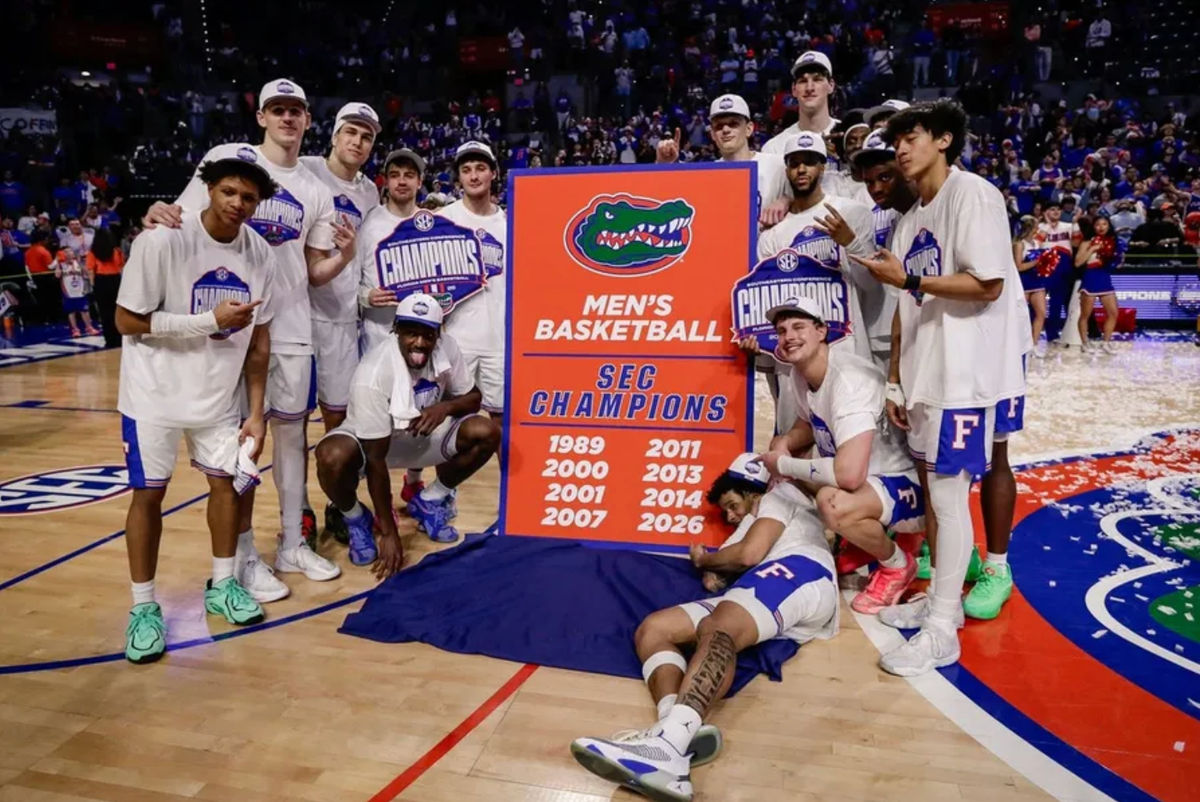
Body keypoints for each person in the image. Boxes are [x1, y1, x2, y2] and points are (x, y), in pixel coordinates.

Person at [141, 78, 356, 603]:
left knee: (289, 440)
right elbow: (180, 218)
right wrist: (154, 214)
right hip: (229, 326)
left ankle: (289, 543)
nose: (287, 119)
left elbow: (313, 270)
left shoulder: (314, 189)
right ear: (260, 116)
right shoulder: (226, 160)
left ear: (308, 120)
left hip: (293, 328)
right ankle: (240, 556)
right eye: (277, 110)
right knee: (237, 446)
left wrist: (344, 258)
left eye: (296, 111)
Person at [851, 100, 1027, 673]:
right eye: (895, 140)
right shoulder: (909, 219)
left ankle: (942, 627)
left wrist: (910, 276)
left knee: (949, 498)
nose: (900, 148)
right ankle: (942, 604)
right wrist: (900, 380)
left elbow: (988, 284)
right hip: (931, 375)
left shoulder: (972, 194)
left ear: (945, 139)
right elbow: (906, 307)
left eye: (912, 137)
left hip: (968, 374)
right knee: (937, 496)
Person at [569, 454, 836, 802]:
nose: (730, 515)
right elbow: (718, 577)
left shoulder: (777, 496)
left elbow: (749, 555)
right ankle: (674, 729)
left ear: (752, 491)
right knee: (654, 629)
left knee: (719, 626)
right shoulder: (743, 528)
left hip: (803, 571)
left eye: (732, 504)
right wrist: (713, 566)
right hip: (763, 588)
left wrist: (704, 559)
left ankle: (667, 749)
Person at [114, 157, 278, 664]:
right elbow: (126, 320)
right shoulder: (161, 240)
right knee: (149, 496)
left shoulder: (261, 254)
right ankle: (144, 609)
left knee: (226, 486)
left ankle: (223, 584)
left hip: (218, 397)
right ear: (207, 189)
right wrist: (208, 320)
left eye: (248, 198)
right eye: (228, 192)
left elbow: (259, 342)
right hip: (153, 395)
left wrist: (256, 413)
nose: (237, 204)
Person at [761, 297, 924, 614]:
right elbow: (808, 424)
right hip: (875, 483)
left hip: (908, 484)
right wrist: (784, 442)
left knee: (832, 503)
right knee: (798, 477)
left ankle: (897, 565)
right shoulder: (803, 370)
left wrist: (783, 463)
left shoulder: (847, 379)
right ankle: (867, 541)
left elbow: (849, 475)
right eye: (782, 330)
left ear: (822, 331)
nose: (789, 336)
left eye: (799, 327)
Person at [314, 293, 500, 566]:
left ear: (438, 334)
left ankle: (431, 500)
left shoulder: (448, 347)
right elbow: (376, 461)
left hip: (421, 438)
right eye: (411, 333)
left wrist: (444, 408)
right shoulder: (374, 373)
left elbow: (474, 398)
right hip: (374, 445)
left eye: (427, 335)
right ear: (396, 330)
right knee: (331, 456)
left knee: (486, 432)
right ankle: (355, 518)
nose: (419, 343)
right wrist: (390, 534)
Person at [299, 102, 383, 542]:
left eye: (367, 137)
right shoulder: (303, 170)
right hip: (294, 311)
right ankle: (299, 511)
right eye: (351, 132)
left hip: (341, 317)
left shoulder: (370, 192)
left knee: (337, 419)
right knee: (290, 422)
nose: (357, 142)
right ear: (333, 135)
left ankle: (338, 502)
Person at [437, 141, 508, 424]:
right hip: (455, 339)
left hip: (499, 340)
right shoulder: (443, 220)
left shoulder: (510, 223)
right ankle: (428, 472)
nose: (474, 176)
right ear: (459, 178)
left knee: (502, 422)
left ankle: (509, 472)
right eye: (466, 170)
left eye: (480, 168)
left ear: (493, 173)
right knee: (450, 422)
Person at [656, 94, 789, 226]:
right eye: (719, 126)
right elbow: (667, 202)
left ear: (749, 129)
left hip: (765, 245)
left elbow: (806, 201)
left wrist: (787, 200)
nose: (725, 130)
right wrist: (663, 165)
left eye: (733, 124)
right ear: (713, 134)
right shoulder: (706, 175)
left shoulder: (777, 165)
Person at [357, 148, 425, 353]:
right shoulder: (367, 222)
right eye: (395, 175)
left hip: (420, 332)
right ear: (386, 182)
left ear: (420, 182)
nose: (402, 182)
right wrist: (366, 296)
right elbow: (351, 278)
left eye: (409, 176)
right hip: (377, 334)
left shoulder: (432, 225)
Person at [762, 51, 840, 154]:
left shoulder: (849, 137)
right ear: (794, 89)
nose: (809, 88)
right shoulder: (775, 148)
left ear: (831, 85)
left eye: (817, 80)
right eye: (803, 81)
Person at [1076, 215, 1120, 354]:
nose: (1101, 227)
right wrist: (1092, 249)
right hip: (1091, 277)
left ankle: (1106, 342)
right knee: (1085, 315)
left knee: (1113, 312)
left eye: (1104, 224)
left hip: (1104, 277)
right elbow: (1077, 263)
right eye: (1098, 224)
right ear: (1093, 227)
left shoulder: (1113, 241)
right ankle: (1084, 343)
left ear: (1109, 226)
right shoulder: (1086, 242)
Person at [1036, 199, 1077, 345]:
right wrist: (1047, 225)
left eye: (1058, 210)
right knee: (1036, 302)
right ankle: (1031, 333)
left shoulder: (1068, 226)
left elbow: (1077, 243)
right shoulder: (1039, 226)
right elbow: (1036, 243)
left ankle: (1053, 335)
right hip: (1044, 266)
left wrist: (1076, 222)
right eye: (1052, 209)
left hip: (1064, 266)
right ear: (1045, 212)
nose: (1056, 212)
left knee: (1057, 303)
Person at [1013, 215, 1049, 357]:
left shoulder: (1036, 243)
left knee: (1041, 313)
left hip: (1037, 281)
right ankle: (1019, 344)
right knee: (1021, 315)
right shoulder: (1019, 244)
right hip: (1024, 282)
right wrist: (1037, 262)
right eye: (1036, 226)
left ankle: (1033, 345)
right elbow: (1018, 266)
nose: (1038, 229)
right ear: (1030, 228)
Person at [87, 228, 125, 348]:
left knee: (104, 313)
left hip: (101, 282)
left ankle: (110, 340)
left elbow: (90, 271)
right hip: (115, 281)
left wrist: (93, 286)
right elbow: (121, 268)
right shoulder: (116, 251)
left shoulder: (92, 253)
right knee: (117, 311)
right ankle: (120, 338)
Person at [53, 247, 99, 337]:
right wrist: (58, 264)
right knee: (71, 312)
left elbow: (86, 273)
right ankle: (75, 329)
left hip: (80, 290)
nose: (69, 253)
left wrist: (80, 263)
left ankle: (89, 327)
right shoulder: (61, 265)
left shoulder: (78, 263)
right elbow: (57, 275)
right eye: (66, 252)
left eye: (70, 251)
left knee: (85, 310)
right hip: (68, 292)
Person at [24, 229, 58, 326]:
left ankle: (42, 319)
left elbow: (26, 267)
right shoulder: (43, 251)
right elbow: (51, 266)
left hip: (35, 277)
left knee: (40, 299)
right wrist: (58, 258)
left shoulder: (28, 251)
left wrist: (30, 279)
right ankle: (52, 319)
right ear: (42, 240)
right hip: (46, 278)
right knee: (50, 299)